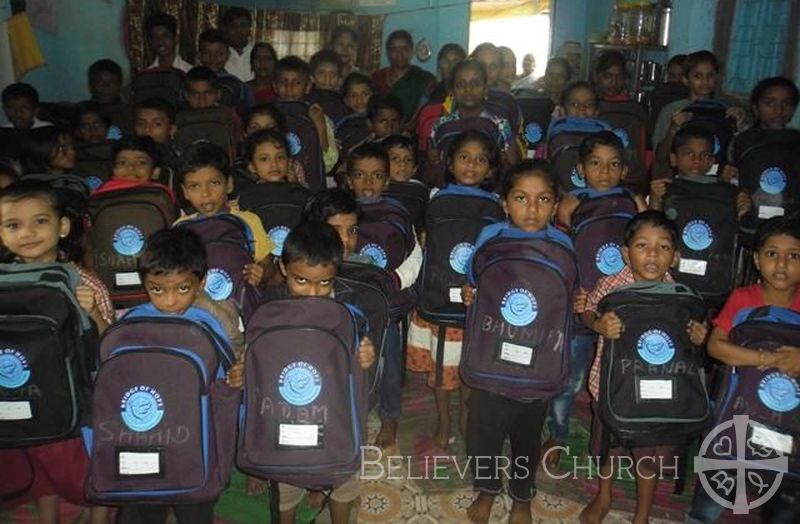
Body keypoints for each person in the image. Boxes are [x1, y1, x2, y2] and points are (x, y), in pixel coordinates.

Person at [576, 210, 709, 524]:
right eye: (642, 245)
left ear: (675, 257)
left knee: (648, 456)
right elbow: (588, 313)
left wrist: (699, 335)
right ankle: (604, 494)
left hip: (659, 394)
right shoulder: (610, 286)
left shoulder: (682, 298)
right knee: (607, 447)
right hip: (612, 386)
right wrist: (598, 323)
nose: (652, 254)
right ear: (625, 253)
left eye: (663, 247)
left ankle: (642, 514)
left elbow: (693, 337)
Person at [0, 180, 114, 524]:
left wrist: (92, 310)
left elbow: (108, 339)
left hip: (76, 392)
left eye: (40, 221)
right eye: (13, 225)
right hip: (25, 389)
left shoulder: (81, 279)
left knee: (92, 460)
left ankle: (98, 515)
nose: (28, 233)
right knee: (36, 456)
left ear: (62, 226)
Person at [114, 227, 243, 524]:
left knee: (194, 503)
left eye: (182, 288)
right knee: (142, 503)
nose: (169, 301)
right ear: (144, 283)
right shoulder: (133, 323)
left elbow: (233, 363)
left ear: (201, 282)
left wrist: (237, 375)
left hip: (197, 432)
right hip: (147, 430)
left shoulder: (218, 318)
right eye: (157, 289)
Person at [460, 159, 565, 524]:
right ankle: (486, 489)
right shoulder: (490, 237)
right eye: (521, 198)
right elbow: (474, 278)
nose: (532, 209)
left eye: (543, 199)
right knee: (484, 434)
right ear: (505, 202)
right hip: (492, 353)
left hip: (537, 362)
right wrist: (470, 294)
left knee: (526, 435)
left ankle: (522, 497)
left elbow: (567, 300)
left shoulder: (564, 244)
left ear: (555, 203)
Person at [685, 215, 800, 524]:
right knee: (710, 500)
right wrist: (767, 358)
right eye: (772, 253)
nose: (781, 264)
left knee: (784, 506)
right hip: (735, 418)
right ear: (757, 260)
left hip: (789, 425)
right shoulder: (742, 299)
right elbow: (715, 346)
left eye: (794, 256)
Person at [543, 131, 646, 468]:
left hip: (625, 309)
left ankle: (618, 436)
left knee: (620, 377)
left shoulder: (635, 203)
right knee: (569, 378)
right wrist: (573, 292)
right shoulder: (571, 204)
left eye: (614, 164)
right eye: (596, 164)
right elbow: (561, 253)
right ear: (581, 168)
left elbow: (648, 256)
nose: (605, 171)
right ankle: (557, 433)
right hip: (581, 308)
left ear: (625, 169)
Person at [270, 221, 376, 524]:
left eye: (324, 283)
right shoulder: (271, 315)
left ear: (336, 276)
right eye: (301, 280)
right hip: (288, 415)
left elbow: (358, 371)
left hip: (336, 417)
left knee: (343, 479)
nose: (313, 292)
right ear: (282, 268)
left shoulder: (348, 318)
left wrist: (365, 357)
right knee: (287, 483)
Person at [407, 130, 500, 450]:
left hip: (476, 301)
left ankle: (466, 417)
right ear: (450, 163)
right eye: (464, 157)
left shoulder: (497, 205)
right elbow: (424, 241)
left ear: (490, 169)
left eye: (481, 159)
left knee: (471, 365)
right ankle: (444, 420)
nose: (472, 165)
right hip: (439, 296)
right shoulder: (435, 197)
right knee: (442, 366)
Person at [173, 141, 274, 284]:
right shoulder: (180, 227)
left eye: (214, 183)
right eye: (194, 186)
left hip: (240, 301)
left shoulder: (248, 221)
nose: (206, 193)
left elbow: (268, 265)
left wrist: (260, 272)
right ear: (185, 192)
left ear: (229, 184)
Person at [427, 59, 518, 186]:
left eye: (475, 84)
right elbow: (431, 173)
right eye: (461, 84)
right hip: (449, 195)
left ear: (485, 89)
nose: (468, 89)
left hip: (489, 195)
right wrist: (433, 161)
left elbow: (513, 167)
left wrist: (501, 160)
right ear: (452, 91)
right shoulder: (441, 126)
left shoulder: (500, 125)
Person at [650, 125, 751, 218]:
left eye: (704, 155)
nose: (697, 160)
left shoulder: (724, 192)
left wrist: (741, 210)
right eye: (689, 154)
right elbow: (652, 228)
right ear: (673, 159)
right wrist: (655, 202)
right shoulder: (662, 190)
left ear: (711, 161)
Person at [721, 77, 799, 184]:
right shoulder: (742, 141)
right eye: (770, 103)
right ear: (755, 108)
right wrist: (726, 178)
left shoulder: (795, 141)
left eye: (787, 103)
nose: (778, 110)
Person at [273, 56, 338, 173]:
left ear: (308, 86)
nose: (289, 88)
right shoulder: (267, 115)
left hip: (308, 183)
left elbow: (328, 163)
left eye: (297, 83)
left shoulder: (317, 115)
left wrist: (320, 126)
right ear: (274, 86)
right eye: (283, 82)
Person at [371, 30, 436, 125]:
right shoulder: (376, 78)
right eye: (394, 49)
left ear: (411, 51)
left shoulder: (425, 79)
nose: (399, 54)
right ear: (388, 52)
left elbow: (430, 113)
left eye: (404, 49)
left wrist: (410, 128)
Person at [241, 105, 307, 186]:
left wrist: (295, 185)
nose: (274, 164)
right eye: (255, 127)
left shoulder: (293, 166)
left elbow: (306, 194)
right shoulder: (239, 171)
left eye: (280, 157)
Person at [197, 29, 251, 112]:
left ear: (228, 55)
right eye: (206, 53)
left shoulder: (239, 86)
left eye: (219, 54)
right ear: (199, 55)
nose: (212, 59)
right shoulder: (188, 82)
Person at [222, 7, 255, 82]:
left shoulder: (257, 54)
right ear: (225, 29)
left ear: (250, 29)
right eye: (233, 26)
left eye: (243, 26)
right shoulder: (218, 56)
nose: (238, 30)